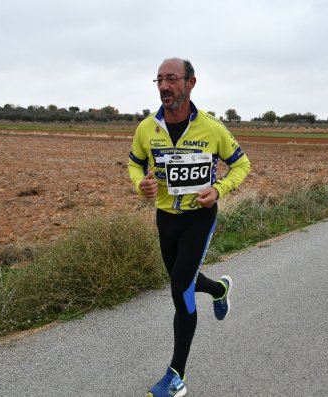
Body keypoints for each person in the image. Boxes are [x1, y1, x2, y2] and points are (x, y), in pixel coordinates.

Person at [128, 58, 250, 397]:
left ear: (190, 83)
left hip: (199, 218)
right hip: (166, 218)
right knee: (184, 278)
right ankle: (219, 290)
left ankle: (176, 377)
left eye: (171, 79)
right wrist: (141, 184)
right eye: (159, 80)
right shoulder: (147, 129)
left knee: (180, 290)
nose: (164, 86)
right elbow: (135, 164)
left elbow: (241, 164)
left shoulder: (212, 128)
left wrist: (219, 189)